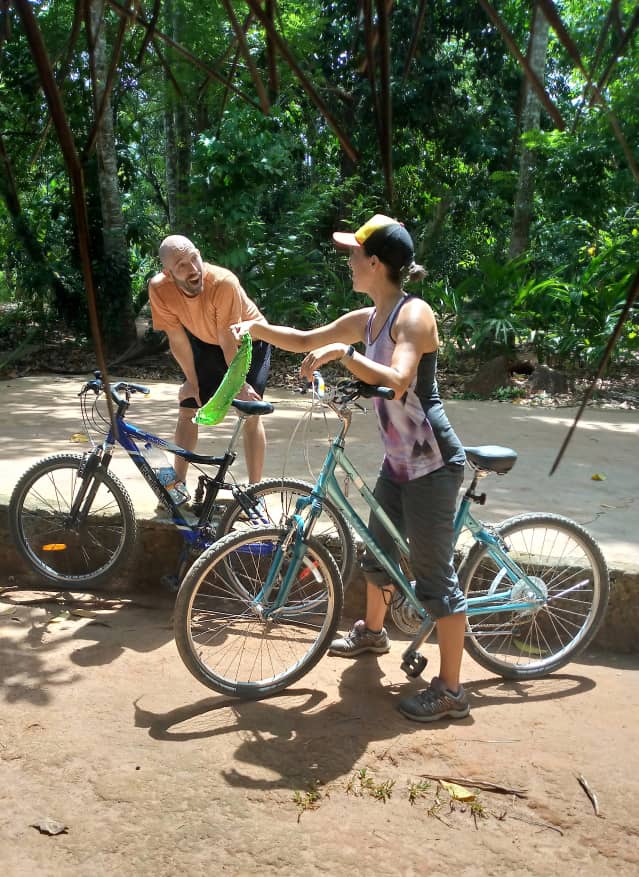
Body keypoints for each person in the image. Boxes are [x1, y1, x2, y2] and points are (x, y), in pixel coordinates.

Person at [231, 214, 469, 723]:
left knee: (435, 579)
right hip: (399, 461)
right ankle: (375, 633)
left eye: (353, 254)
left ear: (375, 262)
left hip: (433, 465)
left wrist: (345, 356)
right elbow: (300, 337)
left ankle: (450, 690)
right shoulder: (370, 317)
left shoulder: (413, 315)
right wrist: (255, 328)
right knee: (377, 554)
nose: (348, 262)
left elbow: (400, 379)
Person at [148, 235, 271, 493]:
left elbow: (229, 339)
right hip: (208, 342)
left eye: (194, 258)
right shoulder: (160, 289)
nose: (193, 269)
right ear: (168, 273)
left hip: (248, 343)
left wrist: (240, 384)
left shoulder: (223, 283)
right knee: (188, 404)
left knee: (249, 411)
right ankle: (176, 486)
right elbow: (178, 340)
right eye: (181, 265)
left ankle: (254, 492)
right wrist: (192, 383)